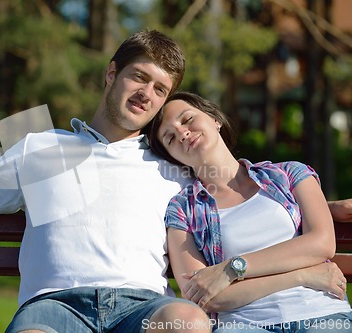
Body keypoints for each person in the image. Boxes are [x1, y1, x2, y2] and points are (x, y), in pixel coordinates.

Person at [0, 30, 351, 333]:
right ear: (112, 74)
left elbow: (252, 200)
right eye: (140, 77)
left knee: (188, 322)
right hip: (55, 307)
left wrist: (334, 213)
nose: (148, 94)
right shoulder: (39, 147)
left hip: (144, 308)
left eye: (161, 89)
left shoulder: (172, 166)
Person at [145, 91, 352, 332]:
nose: (182, 133)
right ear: (172, 156)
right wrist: (302, 276)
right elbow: (204, 296)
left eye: (187, 119)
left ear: (215, 119)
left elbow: (322, 243)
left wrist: (231, 269)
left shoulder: (288, 176)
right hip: (244, 325)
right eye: (170, 138)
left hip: (320, 314)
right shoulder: (183, 210)